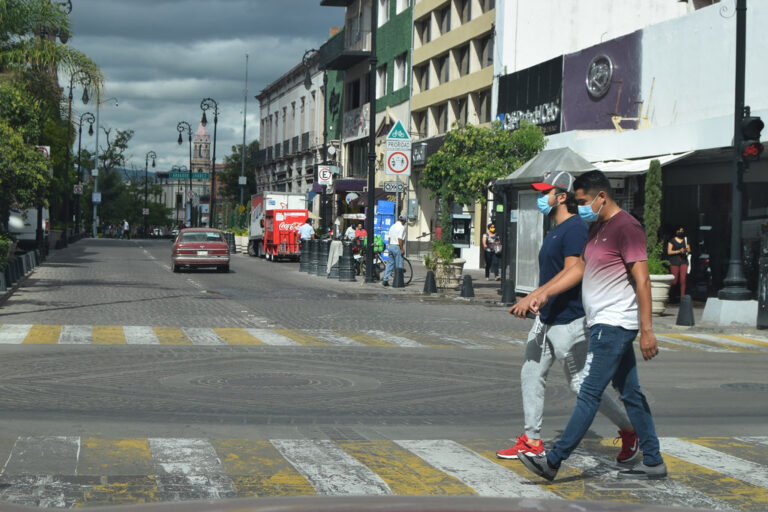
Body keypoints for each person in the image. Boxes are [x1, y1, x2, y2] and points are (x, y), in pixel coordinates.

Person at [517, 170, 666, 481]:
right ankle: (653, 461)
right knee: (631, 393)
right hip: (601, 323)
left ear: (602, 196)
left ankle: (553, 461)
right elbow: (578, 268)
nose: (581, 207)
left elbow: (642, 280)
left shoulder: (628, 227)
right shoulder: (596, 227)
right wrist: (543, 293)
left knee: (588, 393)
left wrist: (647, 330)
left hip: (614, 325)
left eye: (584, 201)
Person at [667, 226, 691, 300]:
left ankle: (682, 297)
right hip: (674, 261)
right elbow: (669, 252)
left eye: (682, 231)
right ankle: (671, 295)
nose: (681, 232)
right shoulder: (672, 241)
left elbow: (689, 250)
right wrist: (678, 251)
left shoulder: (685, 239)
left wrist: (686, 250)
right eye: (679, 230)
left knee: (683, 279)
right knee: (674, 281)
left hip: (683, 261)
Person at [381, 215, 406, 287]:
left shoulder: (392, 226)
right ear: (403, 221)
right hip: (397, 246)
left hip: (391, 246)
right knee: (399, 264)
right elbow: (400, 239)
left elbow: (389, 238)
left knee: (389, 264)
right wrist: (402, 249)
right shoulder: (401, 227)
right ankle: (398, 281)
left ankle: (385, 279)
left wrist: (390, 246)